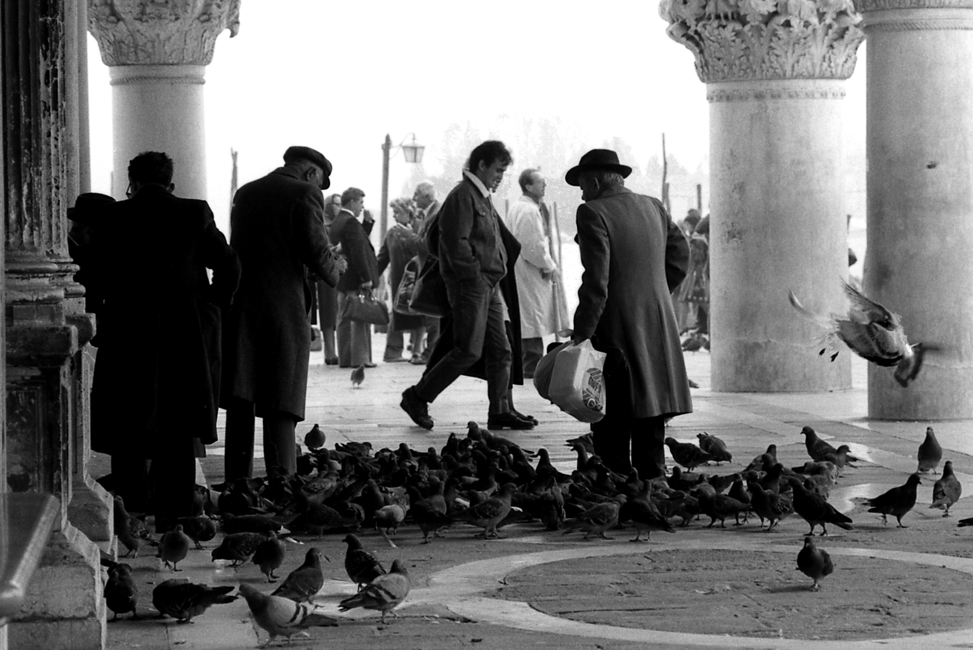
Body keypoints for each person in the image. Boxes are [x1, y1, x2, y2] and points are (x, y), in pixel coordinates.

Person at [88, 151, 241, 530]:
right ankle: (174, 511)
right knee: (178, 417)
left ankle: (133, 506)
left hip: (129, 330)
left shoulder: (115, 216)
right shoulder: (195, 212)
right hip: (184, 334)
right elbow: (229, 264)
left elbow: (94, 274)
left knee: (129, 418)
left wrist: (103, 312)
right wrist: (211, 305)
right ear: (170, 183)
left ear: (132, 182)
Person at [566, 148, 692, 479]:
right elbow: (680, 255)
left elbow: (596, 282)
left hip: (615, 323)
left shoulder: (591, 212)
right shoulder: (654, 206)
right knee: (650, 399)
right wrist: (656, 292)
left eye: (582, 185)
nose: (581, 193)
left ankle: (617, 479)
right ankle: (653, 478)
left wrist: (581, 333)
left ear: (594, 182)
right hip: (657, 318)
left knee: (612, 404)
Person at [222, 146, 346, 480]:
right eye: (320, 182)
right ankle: (283, 484)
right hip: (283, 308)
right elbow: (316, 250)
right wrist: (336, 268)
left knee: (241, 397)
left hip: (244, 304)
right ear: (311, 174)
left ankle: (237, 483)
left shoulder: (247, 192)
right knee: (281, 398)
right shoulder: (304, 193)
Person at [400, 140, 533, 431]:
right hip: (471, 287)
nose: (500, 176)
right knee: (467, 351)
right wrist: (473, 277)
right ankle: (417, 396)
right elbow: (453, 242)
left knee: (501, 350)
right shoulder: (464, 196)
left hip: (487, 286)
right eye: (498, 170)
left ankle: (500, 410)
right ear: (481, 165)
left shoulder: (479, 195)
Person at [504, 168, 569, 378]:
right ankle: (531, 365)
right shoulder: (529, 211)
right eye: (540, 182)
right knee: (532, 319)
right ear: (528, 186)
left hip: (523, 270)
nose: (545, 185)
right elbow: (532, 246)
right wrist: (549, 265)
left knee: (530, 318)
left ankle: (528, 363)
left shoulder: (520, 207)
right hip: (530, 271)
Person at [331, 187, 380, 369]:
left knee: (344, 318)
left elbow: (354, 241)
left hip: (343, 278)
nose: (362, 207)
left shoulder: (340, 220)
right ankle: (359, 359)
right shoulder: (350, 222)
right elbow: (357, 251)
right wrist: (366, 277)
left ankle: (346, 357)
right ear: (352, 202)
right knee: (358, 318)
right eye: (361, 202)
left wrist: (366, 223)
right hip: (354, 278)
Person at [377, 197, 426, 362]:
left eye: (397, 212)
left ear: (408, 212)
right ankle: (393, 350)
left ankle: (417, 350)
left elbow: (424, 249)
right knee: (397, 313)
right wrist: (372, 276)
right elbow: (383, 258)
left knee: (419, 313)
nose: (394, 216)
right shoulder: (391, 233)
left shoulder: (420, 228)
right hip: (399, 280)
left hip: (419, 277)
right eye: (394, 212)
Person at [411, 181, 442, 364]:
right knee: (431, 315)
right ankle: (430, 352)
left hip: (432, 269)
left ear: (427, 196)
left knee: (433, 316)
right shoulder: (429, 213)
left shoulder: (435, 213)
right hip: (428, 268)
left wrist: (410, 237)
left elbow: (429, 244)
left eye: (417, 194)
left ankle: (430, 353)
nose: (414, 199)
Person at [315, 192, 343, 365]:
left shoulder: (341, 224)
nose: (339, 208)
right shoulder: (322, 225)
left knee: (338, 312)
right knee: (328, 313)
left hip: (340, 271)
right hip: (327, 272)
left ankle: (337, 350)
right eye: (336, 204)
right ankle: (330, 351)